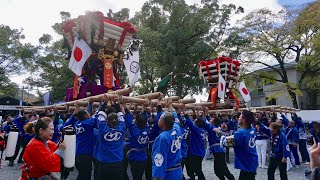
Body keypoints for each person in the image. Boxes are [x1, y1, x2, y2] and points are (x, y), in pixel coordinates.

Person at [63, 106, 98, 180]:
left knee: (83, 174)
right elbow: (98, 117)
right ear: (85, 115)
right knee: (85, 176)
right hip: (85, 155)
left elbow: (68, 123)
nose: (89, 115)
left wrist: (75, 111)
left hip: (77, 153)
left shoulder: (77, 123)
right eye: (88, 114)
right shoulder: (88, 123)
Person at [223, 110, 258, 180]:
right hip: (252, 160)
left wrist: (219, 133)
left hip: (246, 162)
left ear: (244, 120)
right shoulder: (252, 129)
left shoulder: (241, 133)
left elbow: (226, 142)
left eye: (240, 117)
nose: (238, 118)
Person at [95, 102, 126, 179]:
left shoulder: (103, 129)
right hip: (118, 162)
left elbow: (100, 116)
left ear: (107, 120)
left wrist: (104, 102)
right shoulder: (121, 128)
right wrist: (116, 103)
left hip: (104, 163)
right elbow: (121, 117)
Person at [152, 111, 182, 180]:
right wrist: (170, 106)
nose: (158, 120)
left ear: (163, 123)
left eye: (159, 118)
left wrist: (157, 177)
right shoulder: (177, 130)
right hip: (178, 170)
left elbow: (159, 158)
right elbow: (175, 119)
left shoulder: (163, 138)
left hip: (168, 174)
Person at [123, 103, 149, 180]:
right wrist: (144, 108)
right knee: (139, 176)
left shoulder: (135, 131)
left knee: (135, 176)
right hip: (144, 157)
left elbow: (129, 120)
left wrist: (125, 108)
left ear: (136, 122)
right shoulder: (147, 130)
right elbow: (145, 120)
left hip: (134, 157)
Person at [204, 115, 235, 180]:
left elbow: (205, 122)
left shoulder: (212, 127)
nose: (210, 120)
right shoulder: (216, 127)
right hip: (219, 151)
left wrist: (201, 115)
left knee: (222, 170)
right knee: (220, 170)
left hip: (218, 152)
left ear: (214, 122)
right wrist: (206, 114)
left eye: (211, 120)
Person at [185, 110, 206, 180]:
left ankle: (193, 178)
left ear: (197, 123)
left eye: (195, 121)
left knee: (193, 168)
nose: (193, 121)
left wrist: (184, 113)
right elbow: (198, 121)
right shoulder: (202, 130)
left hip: (194, 153)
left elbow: (190, 124)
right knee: (197, 168)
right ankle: (193, 177)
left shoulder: (196, 130)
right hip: (200, 153)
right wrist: (194, 112)